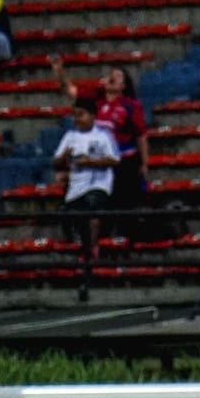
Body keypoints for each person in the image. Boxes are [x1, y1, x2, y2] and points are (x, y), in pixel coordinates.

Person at [52, 57, 149, 211]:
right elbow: (70, 90)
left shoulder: (130, 105)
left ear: (123, 85)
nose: (112, 77)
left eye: (117, 76)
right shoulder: (96, 99)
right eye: (111, 74)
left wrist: (144, 163)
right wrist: (60, 71)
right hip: (98, 161)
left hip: (124, 161)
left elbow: (140, 135)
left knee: (124, 204)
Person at [53, 96, 121, 261]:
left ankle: (92, 249)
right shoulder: (70, 136)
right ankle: (81, 248)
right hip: (76, 186)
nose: (77, 119)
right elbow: (56, 162)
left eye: (81, 115)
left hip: (99, 182)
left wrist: (90, 162)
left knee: (92, 207)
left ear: (92, 116)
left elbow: (115, 159)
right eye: (75, 115)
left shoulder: (103, 135)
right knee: (69, 216)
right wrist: (64, 156)